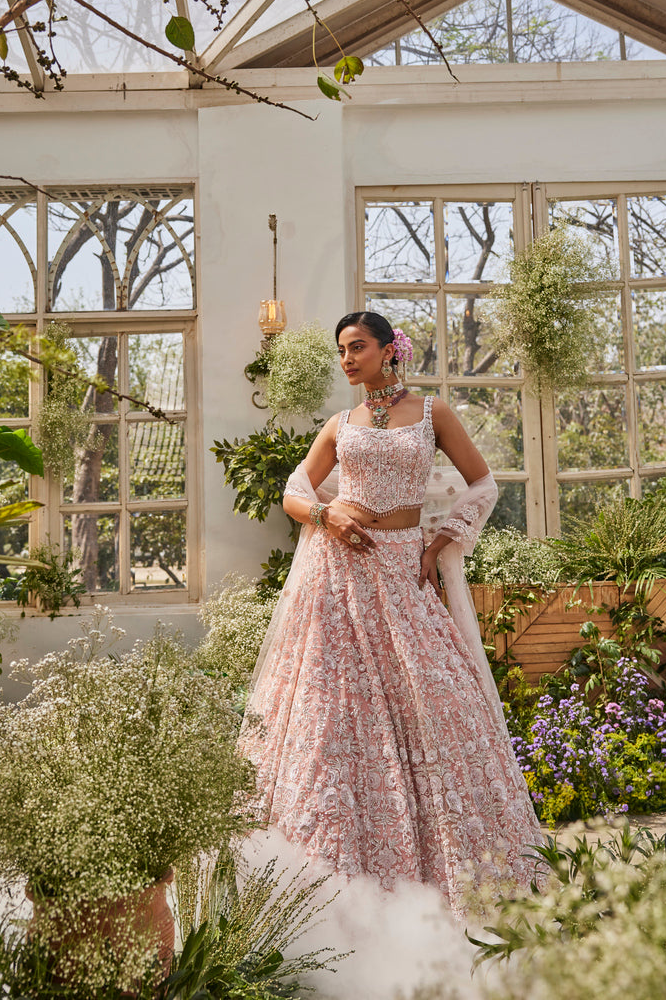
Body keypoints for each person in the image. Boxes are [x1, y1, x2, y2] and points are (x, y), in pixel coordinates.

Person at [238, 311, 544, 917]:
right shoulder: (339, 424)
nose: (347, 359)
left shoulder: (433, 414)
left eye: (358, 347)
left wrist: (439, 542)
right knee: (332, 710)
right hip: (339, 575)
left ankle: (448, 869)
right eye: (342, 351)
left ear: (388, 350)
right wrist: (326, 516)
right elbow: (293, 491)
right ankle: (327, 878)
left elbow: (483, 484)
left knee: (436, 700)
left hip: (403, 569)